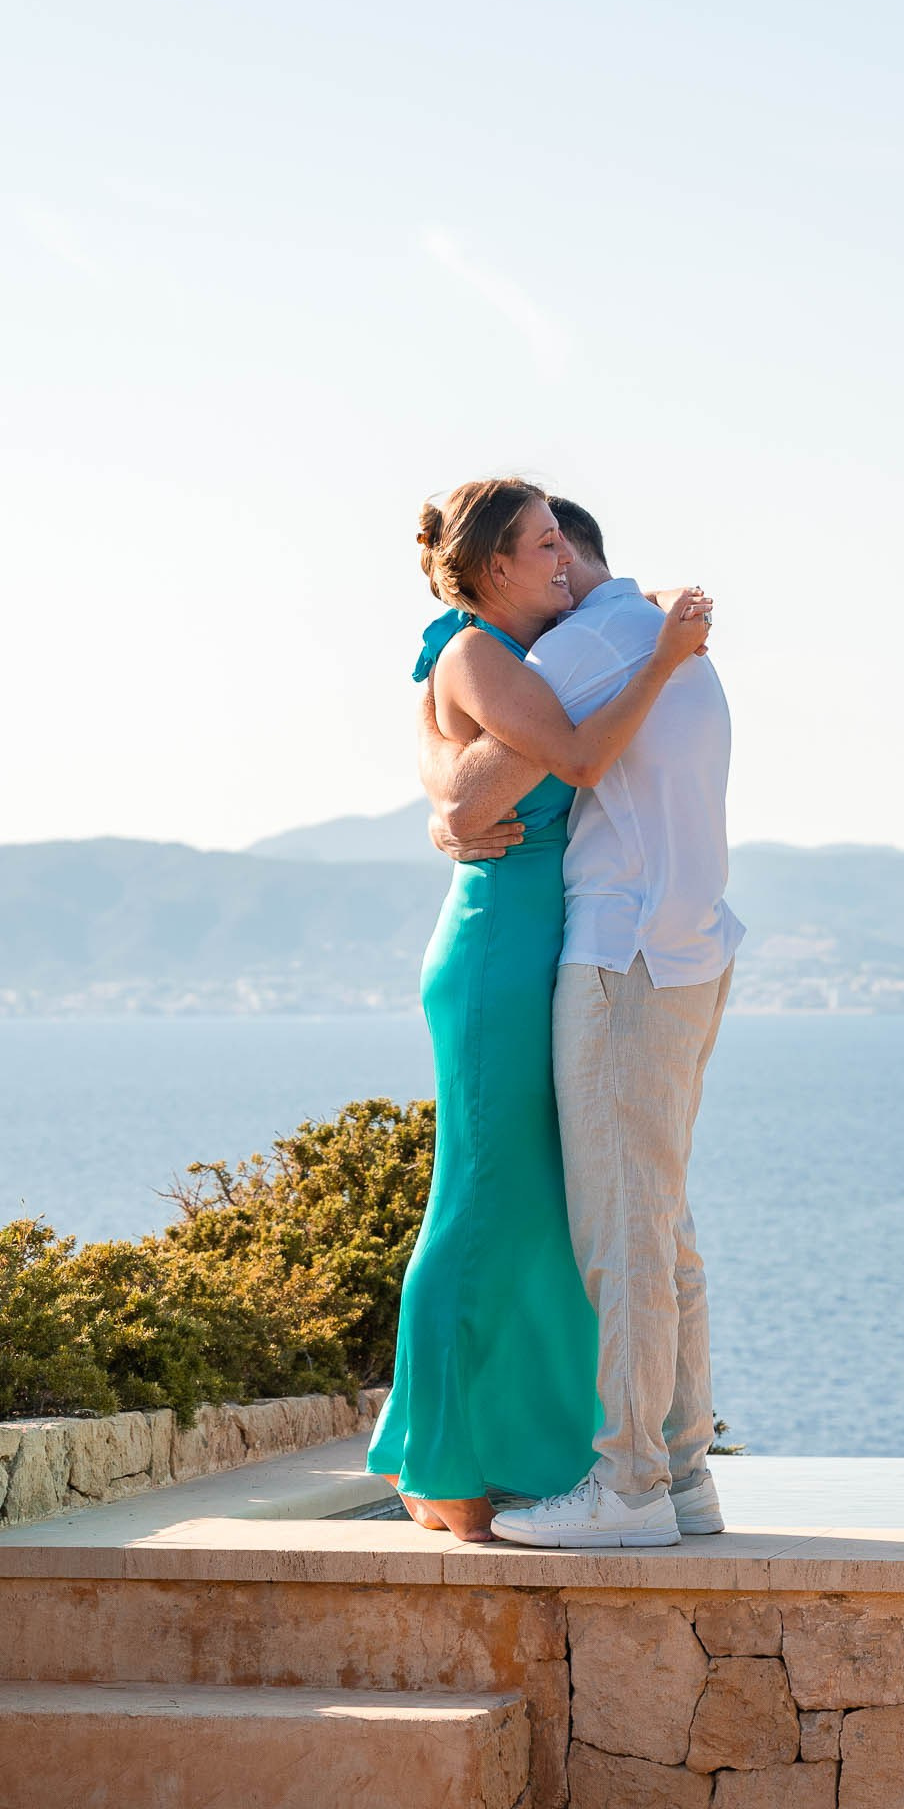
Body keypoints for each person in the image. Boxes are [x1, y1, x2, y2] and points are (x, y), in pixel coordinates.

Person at [368, 478, 713, 1543]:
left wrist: (641, 617)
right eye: (538, 543)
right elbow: (528, 774)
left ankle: (540, 1458)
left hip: (548, 937)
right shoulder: (481, 650)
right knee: (475, 1204)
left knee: (536, 1210)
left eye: (562, 538)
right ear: (491, 568)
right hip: (501, 944)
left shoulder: (523, 651)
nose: (559, 556)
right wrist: (657, 661)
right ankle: (447, 1462)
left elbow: (453, 761)